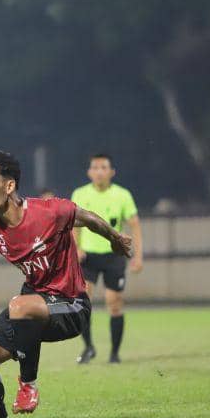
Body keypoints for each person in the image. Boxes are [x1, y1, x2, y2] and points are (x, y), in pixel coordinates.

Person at [0, 151, 132, 418]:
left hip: (71, 306)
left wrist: (115, 238)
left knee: (20, 305)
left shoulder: (50, 211)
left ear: (9, 186)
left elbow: (86, 218)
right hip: (30, 307)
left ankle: (28, 384)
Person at [70, 153, 143, 363]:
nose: (100, 171)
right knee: (82, 302)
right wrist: (77, 247)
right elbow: (72, 224)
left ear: (112, 172)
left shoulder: (122, 195)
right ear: (89, 172)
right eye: (95, 167)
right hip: (88, 257)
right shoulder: (80, 194)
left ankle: (114, 354)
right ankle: (89, 347)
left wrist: (137, 256)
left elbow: (135, 226)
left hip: (114, 255)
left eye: (104, 167)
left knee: (114, 302)